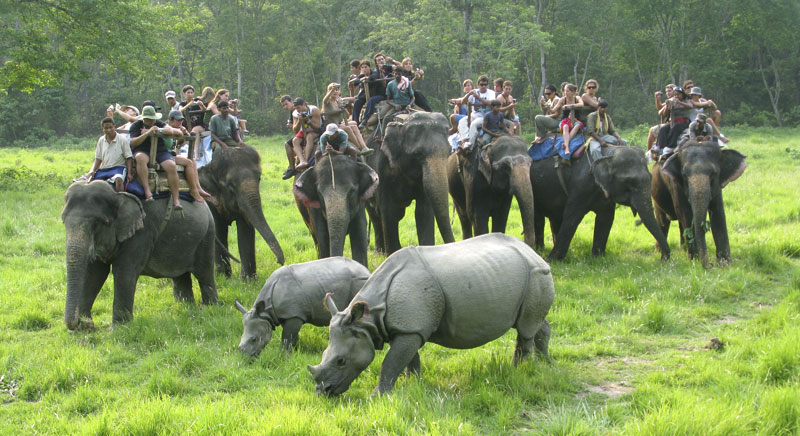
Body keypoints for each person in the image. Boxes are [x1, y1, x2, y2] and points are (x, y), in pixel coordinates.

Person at [129, 105, 183, 207]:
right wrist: (147, 133)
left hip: (160, 151)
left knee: (171, 165)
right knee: (140, 158)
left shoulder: (158, 123)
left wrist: (157, 130)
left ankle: (176, 199)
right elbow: (133, 143)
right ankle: (147, 190)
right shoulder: (136, 126)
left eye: (153, 119)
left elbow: (170, 130)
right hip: (143, 150)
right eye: (149, 120)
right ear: (144, 119)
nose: (152, 121)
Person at [164, 110, 213, 202]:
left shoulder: (179, 129)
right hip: (164, 156)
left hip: (171, 155)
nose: (180, 122)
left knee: (192, 160)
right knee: (188, 162)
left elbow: (181, 145)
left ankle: (198, 187)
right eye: (177, 120)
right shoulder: (166, 128)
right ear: (170, 120)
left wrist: (185, 133)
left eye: (181, 120)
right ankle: (193, 190)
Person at [80, 117, 134, 192]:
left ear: (114, 127)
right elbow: (98, 158)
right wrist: (92, 171)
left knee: (119, 180)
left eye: (110, 127)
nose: (109, 130)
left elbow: (129, 157)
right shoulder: (101, 140)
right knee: (92, 185)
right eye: (106, 128)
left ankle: (120, 201)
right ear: (103, 129)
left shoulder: (122, 139)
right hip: (104, 169)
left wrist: (129, 173)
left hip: (118, 168)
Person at [321, 82, 372, 155]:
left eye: (337, 89)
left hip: (338, 124)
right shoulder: (327, 102)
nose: (335, 91)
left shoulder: (338, 101)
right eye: (333, 90)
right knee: (348, 128)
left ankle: (364, 147)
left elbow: (347, 116)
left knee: (354, 124)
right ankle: (358, 147)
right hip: (331, 126)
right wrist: (332, 89)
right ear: (328, 92)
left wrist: (343, 108)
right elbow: (324, 100)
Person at [457, 75, 495, 150]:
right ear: (478, 85)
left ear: (487, 85)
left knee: (474, 124)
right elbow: (463, 101)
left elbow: (490, 103)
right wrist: (468, 94)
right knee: (462, 121)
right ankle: (465, 141)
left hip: (485, 116)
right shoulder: (474, 92)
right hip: (474, 115)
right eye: (481, 84)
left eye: (485, 85)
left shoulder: (491, 93)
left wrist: (478, 98)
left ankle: (470, 146)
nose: (483, 86)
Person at [655, 86, 693, 155]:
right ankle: (659, 147)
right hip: (673, 121)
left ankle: (671, 146)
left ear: (682, 94)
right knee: (663, 129)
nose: (676, 96)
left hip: (683, 122)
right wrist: (667, 106)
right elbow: (663, 114)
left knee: (676, 127)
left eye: (678, 94)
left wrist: (679, 102)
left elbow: (690, 106)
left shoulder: (686, 100)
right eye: (675, 95)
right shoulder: (672, 101)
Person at [292, 97, 323, 171]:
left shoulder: (314, 110)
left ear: (304, 104)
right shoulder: (295, 113)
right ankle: (302, 160)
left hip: (314, 131)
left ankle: (306, 159)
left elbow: (317, 127)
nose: (298, 110)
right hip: (303, 131)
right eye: (296, 108)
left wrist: (308, 121)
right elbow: (295, 130)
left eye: (299, 108)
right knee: (295, 140)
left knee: (309, 137)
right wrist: (299, 121)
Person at [381, 68, 415, 135]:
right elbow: (388, 100)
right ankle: (383, 137)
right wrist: (394, 105)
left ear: (401, 74)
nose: (397, 75)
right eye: (395, 74)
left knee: (419, 116)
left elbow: (413, 97)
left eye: (398, 74)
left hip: (407, 106)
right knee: (386, 118)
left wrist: (410, 105)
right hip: (397, 106)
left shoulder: (407, 83)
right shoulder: (390, 84)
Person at [558, 83, 584, 156]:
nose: (565, 93)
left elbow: (581, 104)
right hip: (565, 120)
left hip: (576, 120)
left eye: (568, 91)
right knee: (565, 127)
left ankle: (566, 143)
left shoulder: (577, 98)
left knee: (577, 126)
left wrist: (569, 106)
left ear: (573, 92)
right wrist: (545, 106)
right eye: (565, 91)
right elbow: (554, 109)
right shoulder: (563, 99)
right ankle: (567, 148)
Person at [351, 61, 372, 125]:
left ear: (369, 68)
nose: (364, 69)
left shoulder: (373, 73)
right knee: (357, 102)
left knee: (369, 100)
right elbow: (356, 82)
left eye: (366, 67)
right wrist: (362, 75)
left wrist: (366, 78)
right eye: (362, 67)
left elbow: (373, 78)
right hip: (363, 95)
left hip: (373, 93)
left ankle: (365, 119)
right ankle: (355, 122)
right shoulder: (362, 76)